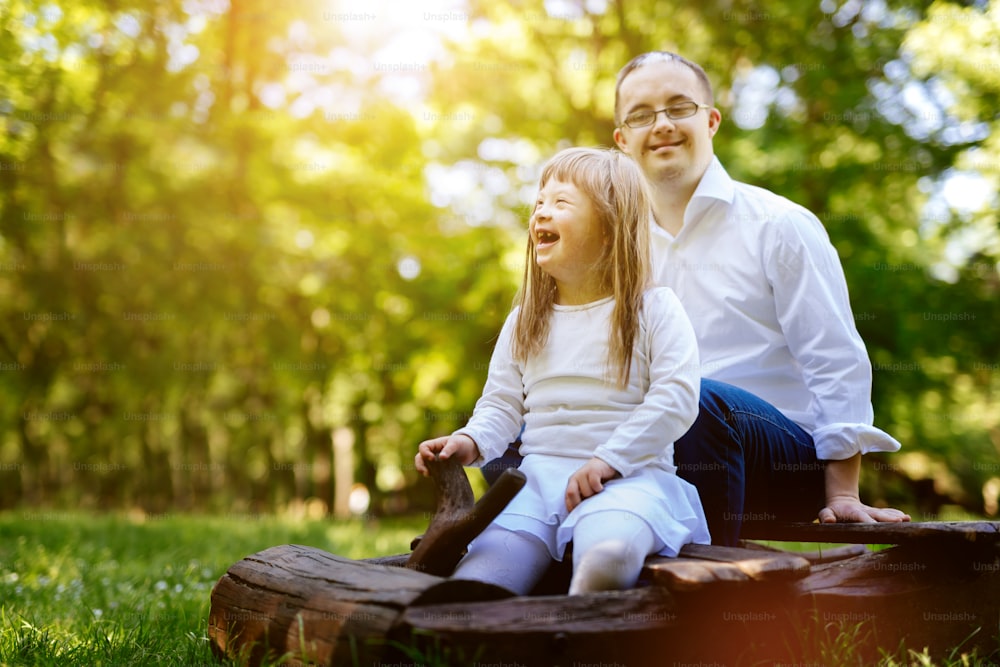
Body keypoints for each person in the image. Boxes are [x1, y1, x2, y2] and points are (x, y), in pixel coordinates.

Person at [608, 51, 910, 545]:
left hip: (778, 457)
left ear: (711, 120)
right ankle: (558, 591)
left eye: (679, 107)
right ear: (622, 139)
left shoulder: (779, 224)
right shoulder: (615, 248)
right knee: (521, 433)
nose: (661, 124)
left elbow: (833, 355)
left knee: (693, 397)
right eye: (641, 114)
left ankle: (712, 600)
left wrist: (841, 493)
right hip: (654, 446)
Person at [415, 147, 710, 596]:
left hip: (628, 480)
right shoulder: (524, 320)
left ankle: (582, 642)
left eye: (561, 203)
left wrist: (608, 460)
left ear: (610, 228)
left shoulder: (654, 308)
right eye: (539, 203)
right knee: (483, 577)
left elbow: (676, 397)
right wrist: (469, 442)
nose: (541, 214)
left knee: (607, 559)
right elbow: (501, 404)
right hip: (535, 485)